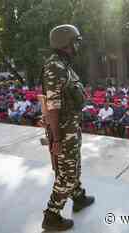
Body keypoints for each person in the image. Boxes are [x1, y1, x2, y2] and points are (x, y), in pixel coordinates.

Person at [42, 24, 94, 231]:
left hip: (70, 128)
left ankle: (78, 197)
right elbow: (53, 106)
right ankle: (52, 215)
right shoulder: (54, 67)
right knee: (66, 174)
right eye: (75, 40)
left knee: (74, 166)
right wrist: (56, 139)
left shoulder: (64, 65)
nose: (78, 44)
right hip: (63, 131)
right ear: (65, 43)